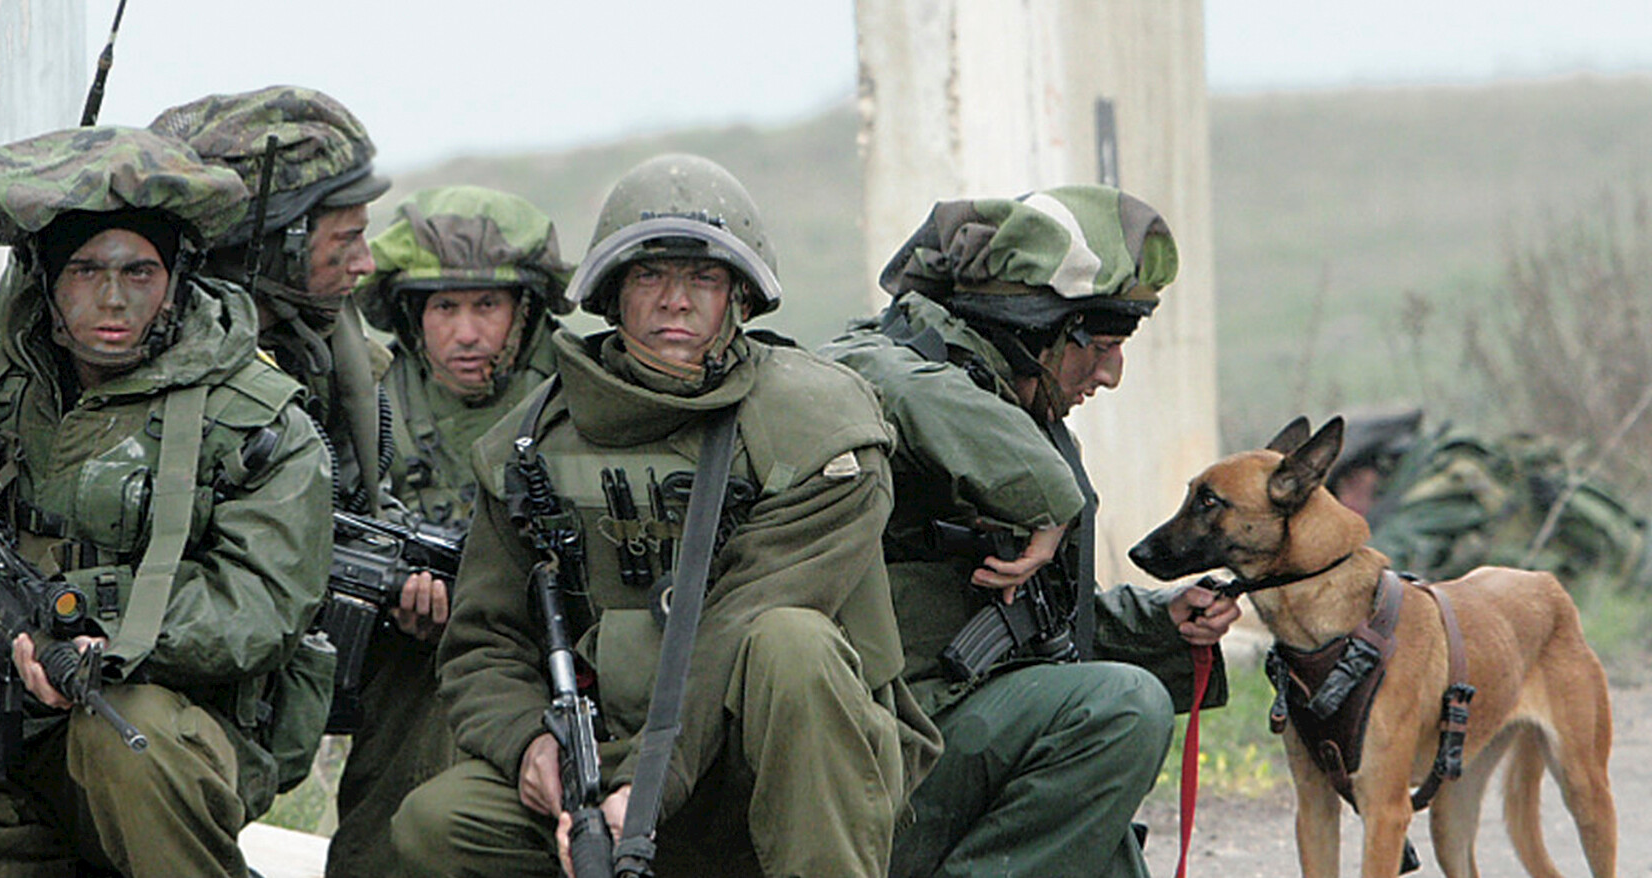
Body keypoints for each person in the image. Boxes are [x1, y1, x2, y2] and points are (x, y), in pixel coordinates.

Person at [388, 153, 941, 877]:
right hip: (611, 762)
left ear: (740, 298)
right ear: (614, 294)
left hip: (777, 763)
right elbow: (484, 641)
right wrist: (531, 744)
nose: (675, 301)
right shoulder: (532, 445)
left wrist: (647, 790)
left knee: (792, 643)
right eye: (649, 275)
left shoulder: (819, 429)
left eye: (703, 278)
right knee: (437, 825)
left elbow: (740, 620)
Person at [0, 126, 333, 877]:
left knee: (124, 734)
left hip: (173, 731)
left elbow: (263, 599)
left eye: (140, 271)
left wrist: (102, 633)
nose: (113, 298)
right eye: (85, 270)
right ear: (44, 278)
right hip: (2, 734)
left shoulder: (256, 419)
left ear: (177, 279)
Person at [818, 187, 1239, 878]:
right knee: (1121, 710)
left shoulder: (1019, 413)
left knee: (1103, 843)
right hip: (884, 759)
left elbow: (1039, 625)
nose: (1111, 373)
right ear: (1032, 327)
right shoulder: (890, 371)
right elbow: (861, 364)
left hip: (966, 733)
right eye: (1101, 346)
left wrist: (1160, 623)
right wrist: (1045, 492)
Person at [326, 185, 574, 876]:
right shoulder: (372, 402)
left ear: (525, 312)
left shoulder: (573, 397)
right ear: (413, 315)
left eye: (486, 306)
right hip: (406, 671)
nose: (466, 334)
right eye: (444, 308)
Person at [150, 85, 394, 514]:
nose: (366, 263)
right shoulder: (165, 359)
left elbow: (360, 499)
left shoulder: (327, 346)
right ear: (282, 244)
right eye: (348, 239)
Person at [1328, 408, 1649, 594]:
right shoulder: (1438, 472)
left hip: (1617, 585)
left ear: (1377, 472)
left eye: (1348, 487)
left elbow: (1384, 564)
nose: (1345, 503)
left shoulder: (1443, 485)